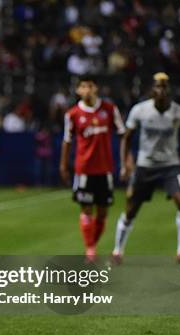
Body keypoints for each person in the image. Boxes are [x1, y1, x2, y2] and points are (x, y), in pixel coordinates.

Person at [111, 73, 180, 267]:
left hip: (170, 166)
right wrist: (125, 163)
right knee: (131, 210)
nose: (161, 90)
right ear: (152, 89)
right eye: (158, 86)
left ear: (169, 90)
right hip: (144, 166)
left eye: (165, 87)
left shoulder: (179, 112)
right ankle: (117, 251)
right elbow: (126, 138)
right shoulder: (140, 110)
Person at [59, 75, 125, 262]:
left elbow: (123, 135)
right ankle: (90, 249)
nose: (86, 89)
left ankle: (91, 244)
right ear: (79, 90)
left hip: (105, 170)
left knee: (103, 211)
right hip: (84, 170)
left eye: (90, 86)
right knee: (87, 209)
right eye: (83, 86)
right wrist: (63, 165)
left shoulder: (110, 110)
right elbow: (67, 140)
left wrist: (127, 161)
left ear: (96, 88)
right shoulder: (72, 114)